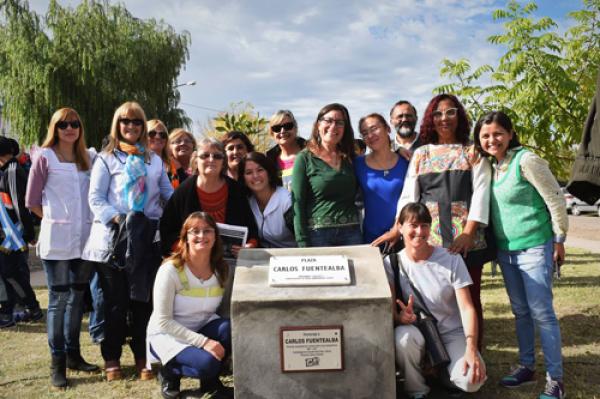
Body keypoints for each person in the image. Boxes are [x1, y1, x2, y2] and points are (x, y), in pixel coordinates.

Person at [374, 94, 492, 350]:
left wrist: (469, 232)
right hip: (428, 242)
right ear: (430, 119)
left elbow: (482, 193)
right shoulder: (422, 154)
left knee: (469, 299)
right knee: (430, 301)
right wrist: (398, 229)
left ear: (459, 116)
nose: (444, 118)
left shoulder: (473, 153)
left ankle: (473, 354)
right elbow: (409, 195)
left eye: (450, 112)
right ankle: (433, 359)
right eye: (438, 114)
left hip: (466, 241)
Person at [475, 111, 568, 399]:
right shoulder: (493, 165)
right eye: (485, 135)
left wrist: (560, 238)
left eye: (498, 133)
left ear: (511, 133)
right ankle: (527, 366)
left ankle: (556, 379)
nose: (492, 140)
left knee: (543, 314)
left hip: (534, 248)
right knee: (520, 312)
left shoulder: (525, 160)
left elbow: (555, 198)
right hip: (507, 252)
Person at [82, 101, 174, 381]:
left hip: (146, 241)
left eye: (136, 122)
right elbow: (96, 198)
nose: (131, 127)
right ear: (117, 125)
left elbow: (167, 194)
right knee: (115, 304)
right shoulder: (106, 158)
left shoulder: (153, 160)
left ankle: (142, 356)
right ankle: (111, 358)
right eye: (126, 121)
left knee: (142, 304)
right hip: (113, 242)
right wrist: (118, 220)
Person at [25, 108, 99, 387]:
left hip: (84, 239)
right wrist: (56, 220)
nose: (70, 128)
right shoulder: (44, 158)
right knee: (57, 300)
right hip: (57, 239)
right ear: (54, 128)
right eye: (63, 124)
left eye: (75, 123)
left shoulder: (88, 157)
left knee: (77, 298)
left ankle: (73, 355)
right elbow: (32, 201)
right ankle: (57, 363)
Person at [384, 202, 486, 398]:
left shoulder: (451, 259)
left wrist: (471, 349)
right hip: (418, 331)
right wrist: (399, 318)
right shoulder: (391, 263)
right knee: (403, 339)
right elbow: (390, 312)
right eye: (412, 225)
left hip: (451, 332)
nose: (419, 231)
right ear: (400, 227)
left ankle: (443, 374)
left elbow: (467, 309)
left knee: (472, 381)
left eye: (424, 225)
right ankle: (417, 390)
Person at [148, 212, 233, 399]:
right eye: (195, 231)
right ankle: (169, 371)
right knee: (208, 364)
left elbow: (219, 311)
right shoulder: (170, 269)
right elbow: (164, 322)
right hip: (168, 335)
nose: (202, 236)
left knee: (232, 329)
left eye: (207, 231)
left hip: (200, 327)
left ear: (215, 236)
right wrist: (205, 342)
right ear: (185, 237)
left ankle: (210, 384)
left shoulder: (221, 269)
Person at [160, 137, 258, 258]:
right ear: (196, 160)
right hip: (192, 263)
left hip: (232, 265)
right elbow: (167, 232)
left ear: (223, 162)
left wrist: (250, 246)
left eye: (217, 156)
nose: (211, 160)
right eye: (205, 155)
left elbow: (252, 230)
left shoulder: (237, 190)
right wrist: (187, 250)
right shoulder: (183, 192)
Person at [291, 103, 362, 247]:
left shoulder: (351, 158)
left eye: (339, 122)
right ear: (318, 125)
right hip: (318, 236)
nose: (333, 126)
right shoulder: (304, 158)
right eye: (328, 120)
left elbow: (377, 161)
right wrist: (302, 241)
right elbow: (297, 203)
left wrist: (398, 152)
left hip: (352, 234)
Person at [0, 137, 42, 329]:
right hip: (10, 234)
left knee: (12, 274)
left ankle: (31, 307)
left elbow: (20, 205)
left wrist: (28, 231)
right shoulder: (8, 169)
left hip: (14, 235)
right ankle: (20, 309)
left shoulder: (13, 171)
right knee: (11, 273)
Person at [355, 113, 409, 244]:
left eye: (374, 129)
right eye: (364, 133)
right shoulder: (357, 164)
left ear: (388, 129)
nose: (370, 135)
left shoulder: (407, 161)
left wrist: (398, 148)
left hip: (404, 235)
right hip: (372, 239)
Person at [240, 152, 296, 248]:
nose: (255, 176)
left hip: (293, 257)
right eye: (249, 172)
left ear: (269, 173)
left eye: (260, 170)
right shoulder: (248, 202)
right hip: (265, 258)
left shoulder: (286, 201)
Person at [265, 110, 305, 192]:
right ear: (272, 133)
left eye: (287, 126)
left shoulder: (312, 153)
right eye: (277, 128)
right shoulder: (268, 161)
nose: (282, 131)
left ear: (295, 128)